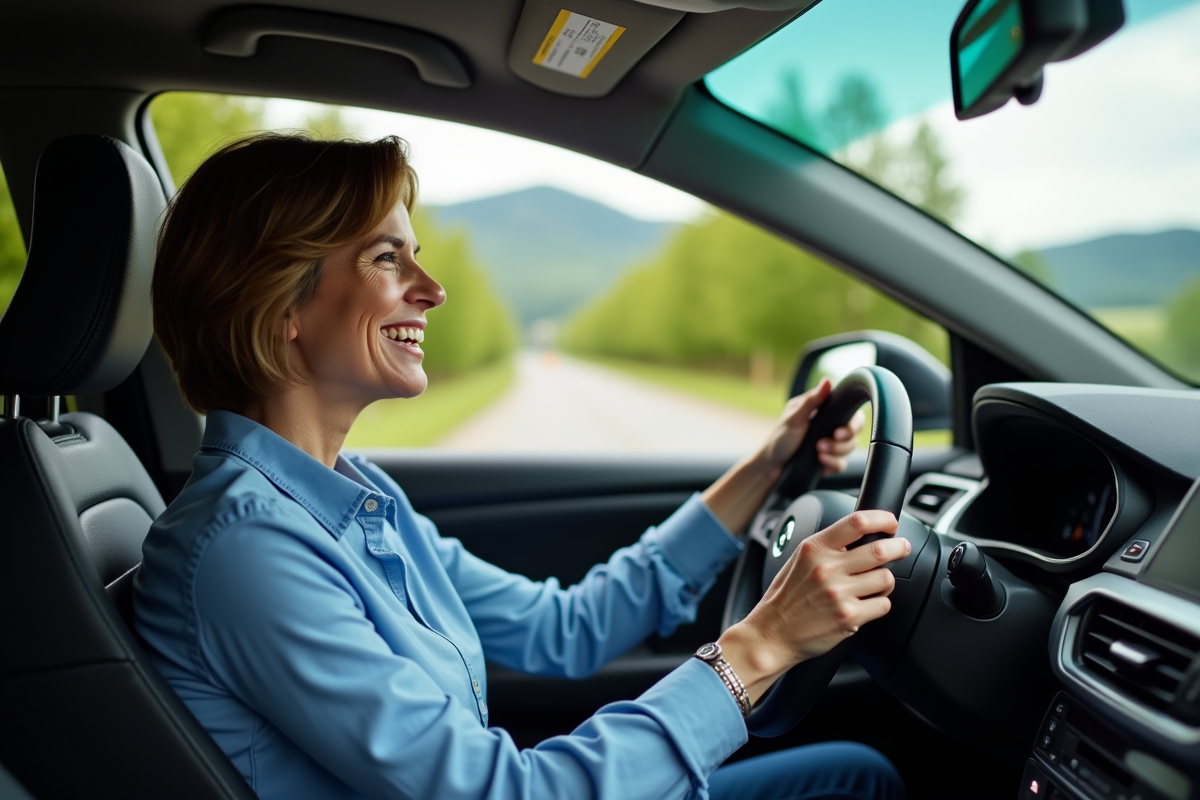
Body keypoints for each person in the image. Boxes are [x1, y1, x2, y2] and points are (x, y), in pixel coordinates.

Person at [135, 133, 911, 800]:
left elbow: (565, 629)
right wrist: (764, 643)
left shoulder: (355, 496)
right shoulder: (248, 551)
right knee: (854, 779)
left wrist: (768, 465)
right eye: (385, 257)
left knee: (853, 773)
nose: (432, 290)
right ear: (282, 308)